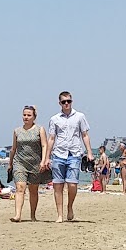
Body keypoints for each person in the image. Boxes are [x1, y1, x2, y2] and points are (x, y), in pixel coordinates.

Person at [46, 92, 93, 222]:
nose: (66, 104)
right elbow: (51, 138)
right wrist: (47, 157)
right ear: (59, 103)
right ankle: (60, 215)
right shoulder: (54, 119)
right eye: (64, 102)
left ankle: (70, 206)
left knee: (72, 184)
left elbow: (85, 135)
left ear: (72, 101)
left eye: (69, 101)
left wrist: (89, 152)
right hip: (58, 154)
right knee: (58, 185)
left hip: (74, 153)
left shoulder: (80, 116)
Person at [7, 105, 52, 222]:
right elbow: (13, 148)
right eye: (24, 115)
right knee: (20, 187)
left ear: (34, 117)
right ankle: (17, 215)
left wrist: (43, 161)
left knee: (33, 190)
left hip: (35, 163)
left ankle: (32, 215)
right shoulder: (17, 131)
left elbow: (44, 145)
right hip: (20, 162)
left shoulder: (39, 129)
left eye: (29, 115)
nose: (26, 117)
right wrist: (10, 163)